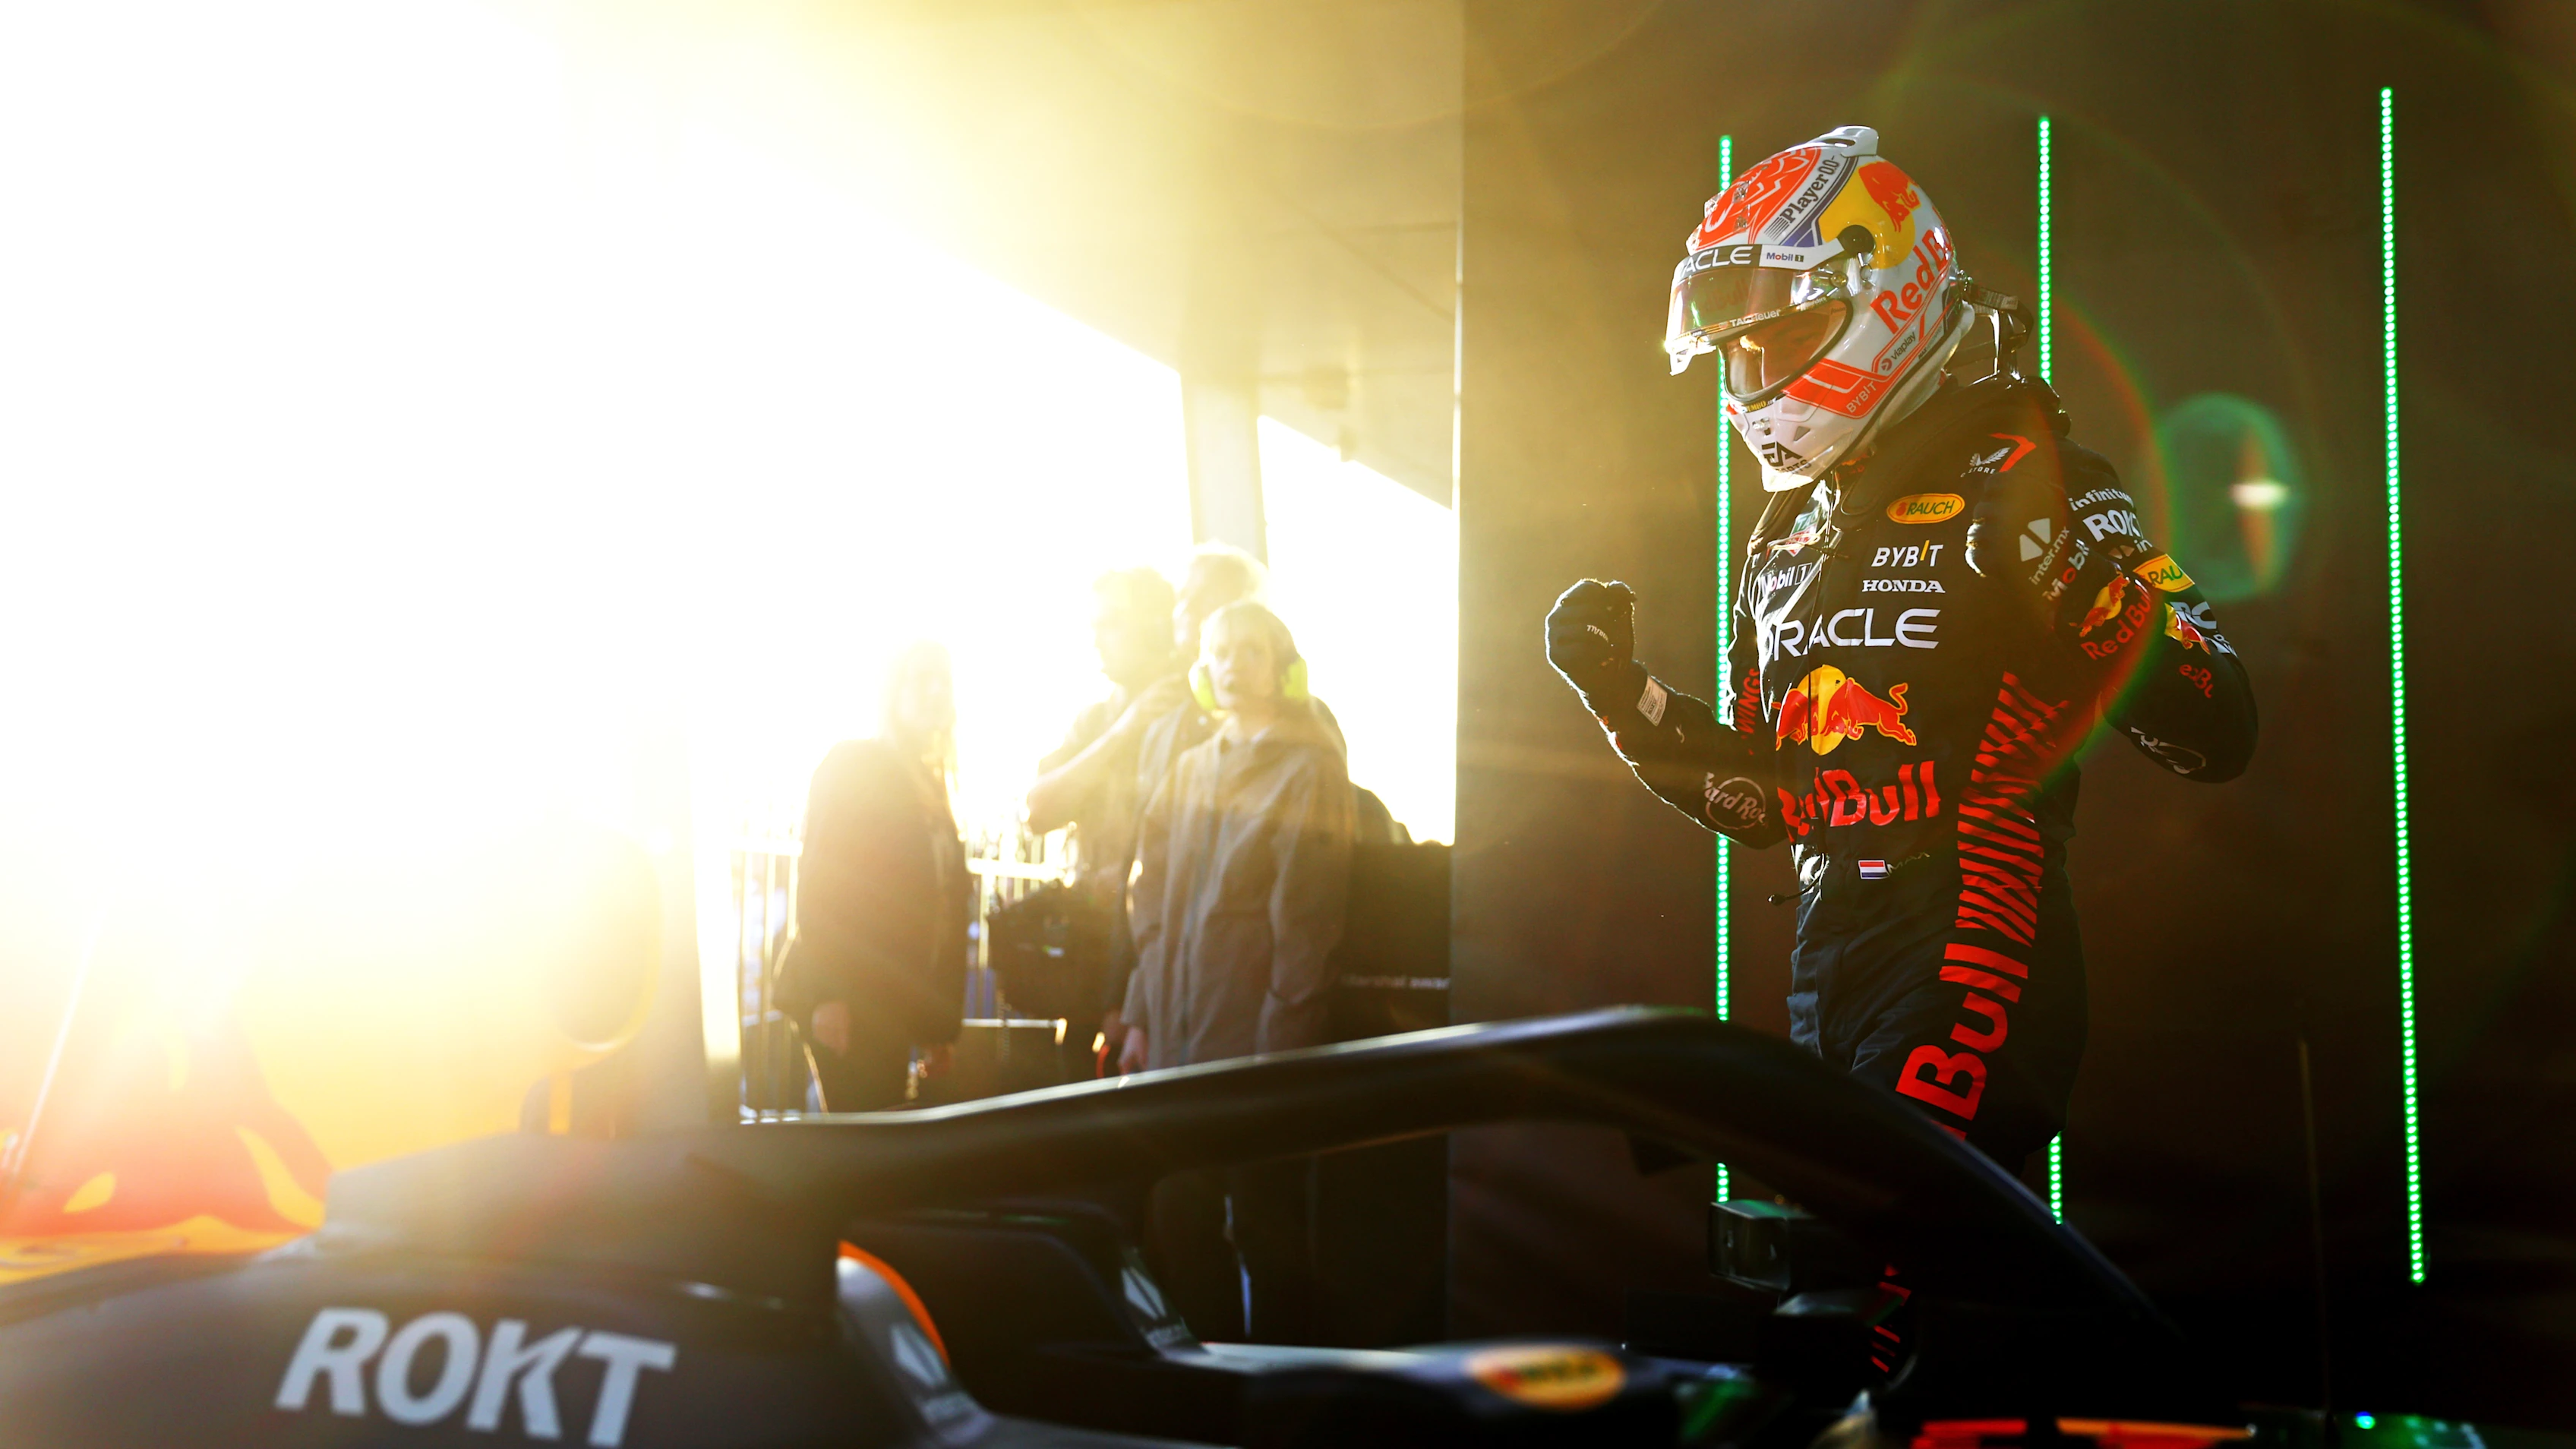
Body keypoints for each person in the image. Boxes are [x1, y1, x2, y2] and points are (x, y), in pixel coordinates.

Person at [1545, 126, 2256, 1171]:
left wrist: (2071, 579)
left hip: (1974, 934)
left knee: (1870, 1240)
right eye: (1740, 350)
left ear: (1886, 297)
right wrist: (1622, 696)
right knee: (1819, 1252)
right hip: (1828, 957)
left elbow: (2219, 723)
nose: (1758, 372)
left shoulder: (2030, 469)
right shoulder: (1783, 534)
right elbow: (1773, 803)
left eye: (1785, 335)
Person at [1118, 600, 1355, 1341]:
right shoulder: (1189, 768)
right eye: (1218, 652)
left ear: (1283, 668)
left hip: (1256, 1047)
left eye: (1248, 651)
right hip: (1179, 1046)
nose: (1230, 665)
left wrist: (1277, 1058)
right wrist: (1141, 1014)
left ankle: (1284, 1389)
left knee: (1264, 1225)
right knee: (1177, 1216)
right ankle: (1212, 1382)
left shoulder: (1309, 770)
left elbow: (1308, 927)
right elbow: (1150, 899)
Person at [775, 641, 971, 1112]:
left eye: (944, 681)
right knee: (862, 1140)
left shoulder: (930, 785)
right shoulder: (854, 764)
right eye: (921, 679)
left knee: (880, 1136)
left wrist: (937, 1027)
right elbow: (821, 883)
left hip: (890, 1004)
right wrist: (828, 996)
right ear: (892, 690)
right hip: (849, 998)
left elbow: (943, 907)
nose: (936, 691)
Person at [1026, 568, 1192, 1050]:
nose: (1097, 640)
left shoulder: (1192, 715)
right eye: (1094, 626)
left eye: (1112, 623)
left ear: (1157, 626)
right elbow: (1038, 811)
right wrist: (1122, 732)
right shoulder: (1096, 720)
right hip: (1091, 953)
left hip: (1156, 949)